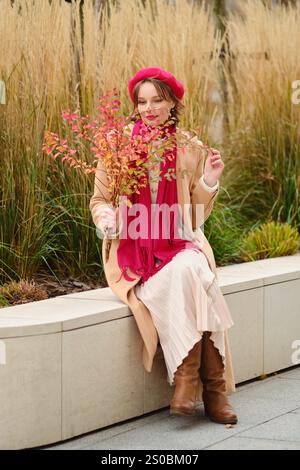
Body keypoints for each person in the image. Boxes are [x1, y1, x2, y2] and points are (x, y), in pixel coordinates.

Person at [89, 67, 237, 425]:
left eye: (158, 100)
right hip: (133, 250)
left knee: (190, 266)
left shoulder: (189, 147)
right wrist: (107, 218)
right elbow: (99, 200)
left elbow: (196, 218)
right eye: (142, 101)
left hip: (179, 240)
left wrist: (208, 180)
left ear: (173, 103)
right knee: (196, 273)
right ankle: (211, 390)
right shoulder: (118, 145)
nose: (149, 108)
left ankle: (189, 383)